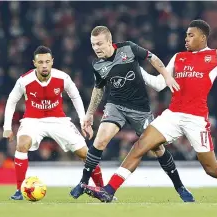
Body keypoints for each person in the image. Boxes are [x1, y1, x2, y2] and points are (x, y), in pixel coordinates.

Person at [81, 20, 217, 202]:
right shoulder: (178, 58)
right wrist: (136, 69)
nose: (186, 38)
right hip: (172, 115)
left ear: (203, 37)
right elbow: (160, 84)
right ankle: (109, 190)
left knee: (212, 169)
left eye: (190, 35)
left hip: (196, 119)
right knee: (140, 146)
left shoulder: (216, 56)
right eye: (186, 35)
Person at [70, 26, 195, 202]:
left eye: (99, 44)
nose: (96, 48)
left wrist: (166, 75)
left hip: (140, 109)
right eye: (93, 45)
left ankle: (179, 186)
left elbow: (152, 57)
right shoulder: (97, 64)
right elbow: (98, 89)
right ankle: (83, 182)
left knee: (157, 148)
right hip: (115, 105)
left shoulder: (127, 48)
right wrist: (89, 114)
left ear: (109, 41)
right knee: (100, 139)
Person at [3, 46, 103, 200]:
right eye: (41, 62)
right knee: (22, 144)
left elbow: (75, 96)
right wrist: (7, 127)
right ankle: (19, 190)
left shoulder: (63, 77)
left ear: (52, 62)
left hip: (59, 120)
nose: (44, 65)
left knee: (85, 154)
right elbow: (11, 101)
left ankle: (102, 190)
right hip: (32, 120)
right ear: (34, 63)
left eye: (47, 62)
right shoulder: (24, 80)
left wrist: (84, 120)